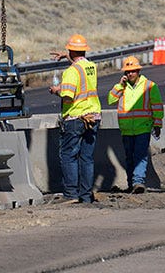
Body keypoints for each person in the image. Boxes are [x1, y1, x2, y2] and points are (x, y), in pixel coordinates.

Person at [51, 34, 100, 203]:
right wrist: (68, 56)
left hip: (75, 118)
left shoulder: (71, 71)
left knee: (68, 155)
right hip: (93, 117)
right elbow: (81, 69)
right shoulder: (91, 67)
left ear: (71, 51)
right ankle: (86, 196)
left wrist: (56, 90)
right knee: (87, 158)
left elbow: (67, 97)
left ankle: (71, 193)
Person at [107, 56, 164, 194]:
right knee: (129, 158)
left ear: (138, 71)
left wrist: (157, 124)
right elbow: (110, 100)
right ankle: (131, 183)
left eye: (132, 71)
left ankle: (138, 182)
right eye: (127, 72)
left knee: (140, 155)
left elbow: (157, 106)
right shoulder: (122, 87)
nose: (130, 74)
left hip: (143, 127)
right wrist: (119, 86)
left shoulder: (149, 86)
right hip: (126, 129)